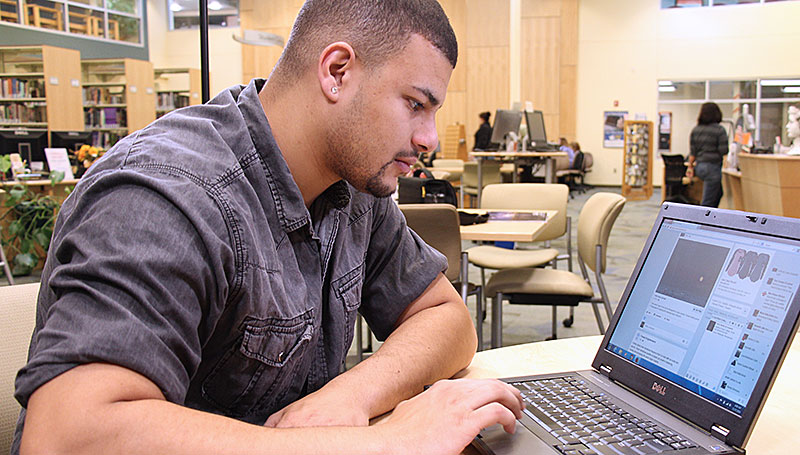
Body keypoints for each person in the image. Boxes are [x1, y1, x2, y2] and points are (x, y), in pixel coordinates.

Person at [12, 1, 524, 454]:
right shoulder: (168, 194)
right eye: (416, 104)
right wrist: (384, 442)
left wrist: (349, 397)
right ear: (338, 72)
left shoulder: (352, 184)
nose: (430, 137)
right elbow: (67, 435)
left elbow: (447, 319)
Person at [686, 102, 728, 207]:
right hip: (712, 167)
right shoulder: (719, 130)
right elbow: (724, 151)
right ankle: (703, 221)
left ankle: (712, 219)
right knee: (707, 202)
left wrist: (690, 167)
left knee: (718, 193)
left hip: (700, 167)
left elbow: (693, 152)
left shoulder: (696, 130)